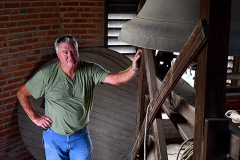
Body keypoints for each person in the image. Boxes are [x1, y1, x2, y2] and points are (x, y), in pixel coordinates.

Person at [17, 35, 141, 160]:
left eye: (74, 52)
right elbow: (22, 93)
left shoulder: (90, 69)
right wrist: (35, 118)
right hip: (54, 138)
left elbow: (116, 80)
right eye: (65, 53)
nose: (70, 56)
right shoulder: (46, 75)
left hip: (80, 137)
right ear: (58, 54)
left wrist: (134, 68)